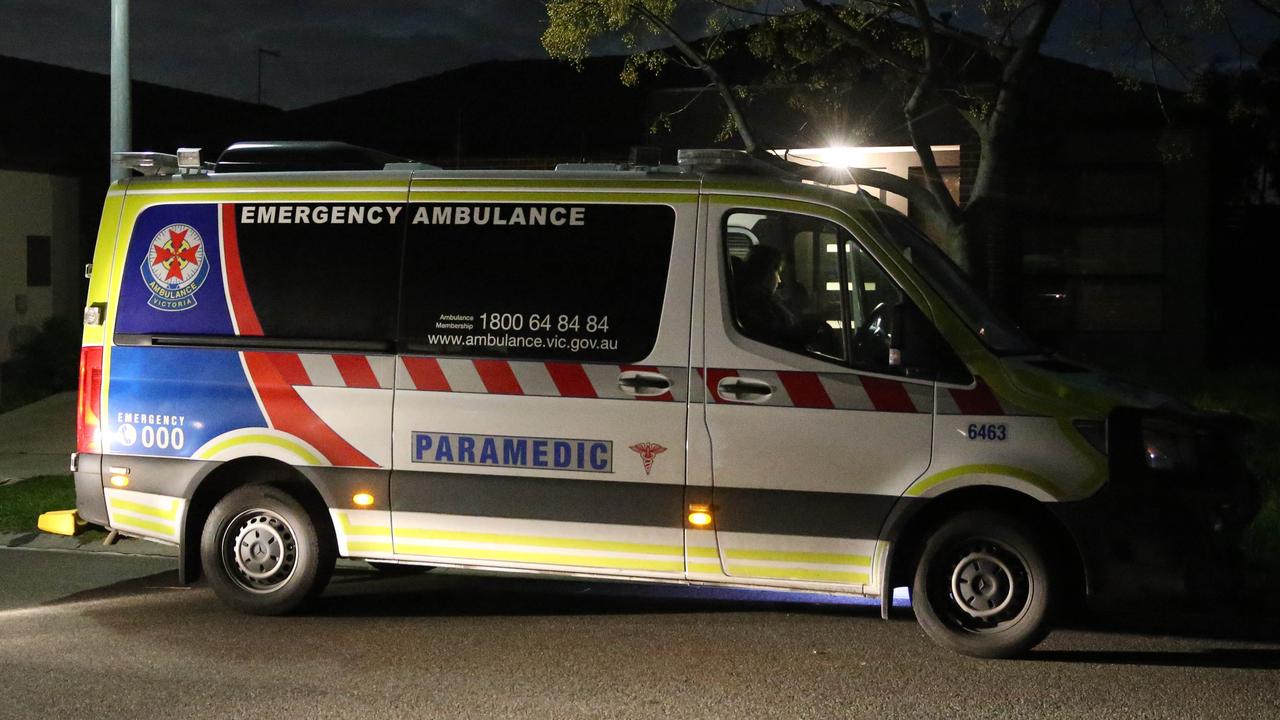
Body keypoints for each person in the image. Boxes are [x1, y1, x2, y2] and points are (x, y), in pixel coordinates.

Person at [734, 245, 821, 351]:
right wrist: (815, 322)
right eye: (777, 273)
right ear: (767, 272)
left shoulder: (760, 300)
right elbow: (780, 337)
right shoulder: (756, 304)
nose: (779, 280)